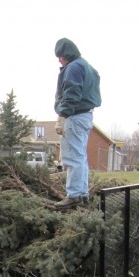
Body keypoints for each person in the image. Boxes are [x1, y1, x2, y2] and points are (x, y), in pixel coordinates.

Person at [53, 38, 101, 209]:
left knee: (72, 157)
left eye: (60, 56)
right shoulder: (87, 66)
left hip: (74, 116)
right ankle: (82, 194)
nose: (59, 59)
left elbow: (72, 92)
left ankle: (73, 195)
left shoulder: (73, 67)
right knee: (80, 156)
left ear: (67, 53)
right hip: (85, 117)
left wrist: (62, 116)